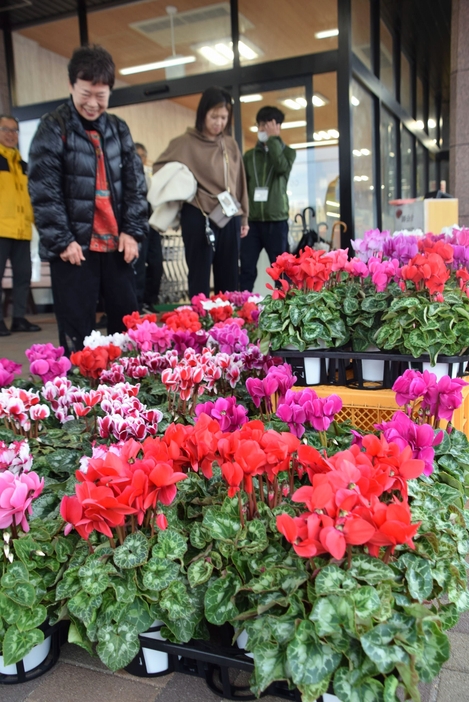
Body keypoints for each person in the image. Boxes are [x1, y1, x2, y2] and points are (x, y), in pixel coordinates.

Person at [28, 45, 148, 355]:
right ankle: (79, 396)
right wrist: (62, 240)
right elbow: (44, 189)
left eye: (101, 95)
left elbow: (136, 185)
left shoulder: (119, 129)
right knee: (76, 331)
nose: (93, 104)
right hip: (74, 248)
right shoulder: (53, 126)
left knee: (127, 327)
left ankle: (127, 396)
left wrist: (133, 231)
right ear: (71, 86)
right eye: (85, 94)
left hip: (116, 245)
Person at [153, 86, 249, 298]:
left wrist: (244, 218)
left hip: (229, 214)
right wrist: (186, 185)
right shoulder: (184, 143)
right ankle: (198, 325)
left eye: (224, 117)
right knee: (199, 276)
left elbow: (240, 180)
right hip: (198, 214)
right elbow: (159, 168)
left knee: (230, 277)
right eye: (214, 116)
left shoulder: (230, 144)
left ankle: (229, 326)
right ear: (202, 113)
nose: (219, 123)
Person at [240, 106, 296, 292]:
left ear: (277, 127)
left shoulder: (288, 153)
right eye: (261, 125)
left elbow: (280, 167)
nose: (263, 129)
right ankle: (243, 307)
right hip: (253, 222)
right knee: (247, 269)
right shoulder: (249, 156)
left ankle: (283, 309)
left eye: (268, 125)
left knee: (281, 271)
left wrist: (273, 140)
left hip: (277, 221)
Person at [0, 115, 41, 336]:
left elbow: (32, 199)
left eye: (14, 130)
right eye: (5, 129)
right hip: (1, 228)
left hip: (22, 230)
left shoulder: (25, 166)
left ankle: (18, 318)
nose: (10, 134)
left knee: (23, 276)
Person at [134, 142, 163, 312]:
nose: (139, 159)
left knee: (156, 264)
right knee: (138, 266)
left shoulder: (151, 176)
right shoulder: (127, 176)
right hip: (136, 225)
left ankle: (149, 301)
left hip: (152, 224)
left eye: (141, 156)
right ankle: (137, 303)